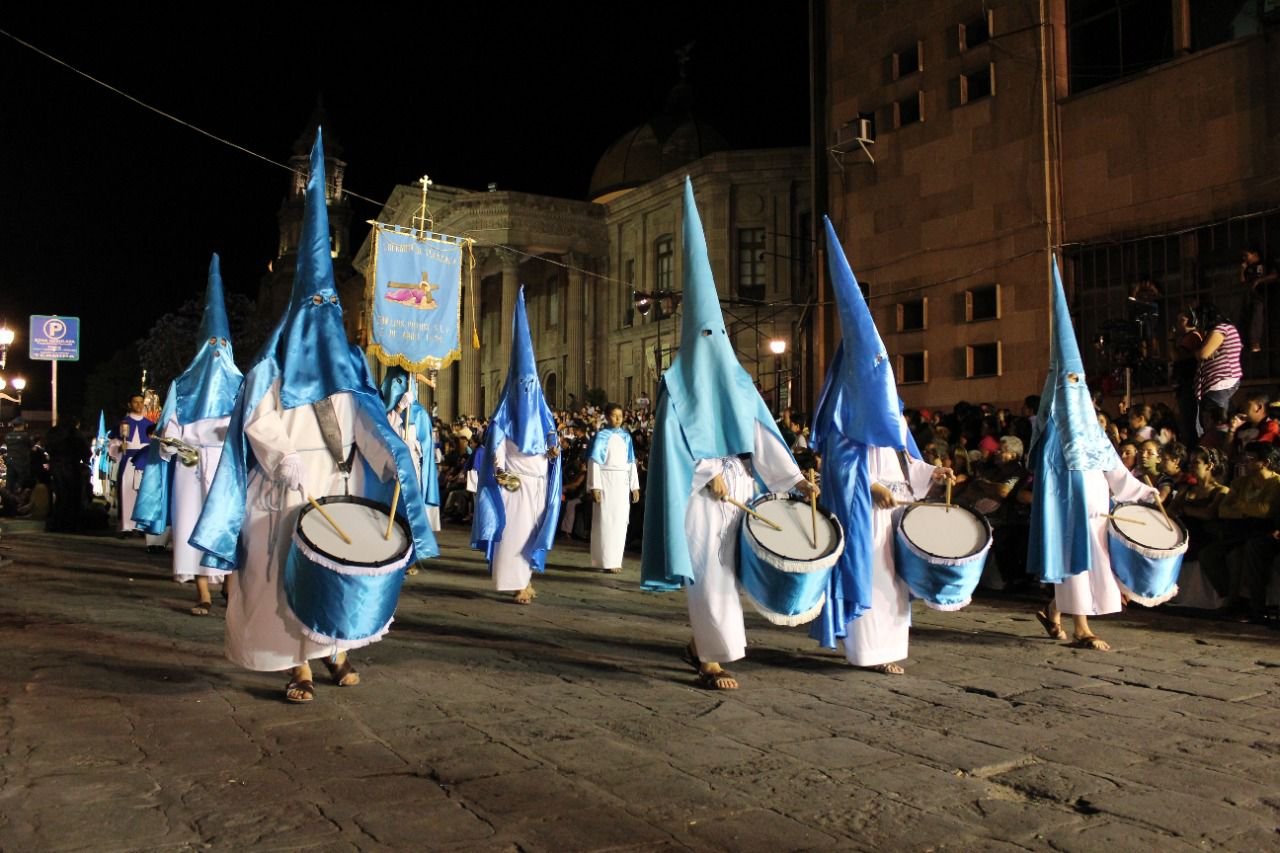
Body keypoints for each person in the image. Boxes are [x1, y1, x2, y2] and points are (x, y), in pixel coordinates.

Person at [191, 130, 435, 703]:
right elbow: (257, 422)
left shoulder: (349, 363)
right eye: (317, 307)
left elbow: (368, 420)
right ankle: (296, 666)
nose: (328, 316)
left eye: (334, 307)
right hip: (286, 485)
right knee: (285, 577)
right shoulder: (271, 368)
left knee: (337, 570)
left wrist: (392, 459)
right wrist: (286, 461)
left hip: (336, 482)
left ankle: (336, 650)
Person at [641, 179, 818, 691]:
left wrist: (794, 481)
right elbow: (672, 450)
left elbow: (762, 434)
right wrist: (702, 476)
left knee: (737, 571)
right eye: (705, 336)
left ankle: (702, 642)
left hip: (743, 486)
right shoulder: (674, 387)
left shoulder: (740, 382)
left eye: (718, 335)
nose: (713, 344)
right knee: (710, 573)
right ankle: (712, 657)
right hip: (703, 494)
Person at [807, 216, 952, 675]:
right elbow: (838, 475)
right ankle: (866, 651)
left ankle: (891, 649)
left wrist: (932, 474)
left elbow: (905, 457)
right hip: (866, 515)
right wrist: (868, 491)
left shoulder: (891, 417)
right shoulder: (842, 426)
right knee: (868, 572)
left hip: (896, 512)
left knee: (896, 581)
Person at [1029, 259, 1161, 651]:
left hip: (1098, 513)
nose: (1073, 391)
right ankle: (1082, 629)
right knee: (1076, 566)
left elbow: (1115, 472)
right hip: (1071, 515)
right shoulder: (1051, 436)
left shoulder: (1096, 434)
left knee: (1091, 568)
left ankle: (1055, 612)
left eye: (1078, 384)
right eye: (1066, 385)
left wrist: (1145, 494)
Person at [134, 255, 243, 615]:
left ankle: (229, 585)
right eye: (210, 344)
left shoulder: (242, 385)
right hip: (189, 463)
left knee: (226, 523)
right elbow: (169, 431)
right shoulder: (181, 388)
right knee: (192, 523)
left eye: (221, 345)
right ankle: (202, 593)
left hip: (225, 467)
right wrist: (172, 443)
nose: (216, 352)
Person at [471, 287, 562, 605]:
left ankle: (525, 580)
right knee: (512, 532)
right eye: (523, 385)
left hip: (537, 484)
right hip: (512, 484)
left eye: (531, 385)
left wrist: (553, 455)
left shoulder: (546, 418)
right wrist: (497, 470)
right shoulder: (502, 418)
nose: (527, 390)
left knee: (530, 531)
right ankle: (512, 581)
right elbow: (495, 448)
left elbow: (553, 448)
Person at [588, 402, 639, 573]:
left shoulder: (626, 437)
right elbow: (595, 461)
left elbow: (631, 462)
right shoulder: (602, 436)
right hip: (606, 480)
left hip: (622, 483)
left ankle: (615, 559)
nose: (618, 419)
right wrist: (595, 486)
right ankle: (603, 559)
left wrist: (634, 486)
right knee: (605, 520)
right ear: (607, 416)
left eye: (620, 416)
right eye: (614, 415)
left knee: (620, 521)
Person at [1194, 304, 1243, 435]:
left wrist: (1198, 352)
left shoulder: (1222, 328)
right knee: (1215, 420)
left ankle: (1217, 450)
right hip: (1219, 382)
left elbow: (1203, 354)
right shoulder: (1224, 329)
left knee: (1215, 423)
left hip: (1220, 382)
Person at [113, 395, 153, 535]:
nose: (139, 405)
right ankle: (127, 526)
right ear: (130, 404)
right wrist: (119, 448)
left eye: (141, 402)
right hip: (128, 462)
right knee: (127, 491)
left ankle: (141, 526)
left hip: (144, 462)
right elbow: (113, 444)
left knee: (142, 493)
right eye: (135, 402)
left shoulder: (149, 424)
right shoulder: (122, 423)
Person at [1242, 245, 1278, 353]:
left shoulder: (1264, 263)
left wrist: (1259, 281)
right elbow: (1243, 282)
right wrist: (1242, 269)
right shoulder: (1248, 268)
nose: (1245, 258)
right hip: (1256, 298)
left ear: (1255, 254)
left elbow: (1274, 275)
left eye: (1246, 255)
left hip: (1269, 294)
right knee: (1255, 318)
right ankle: (1255, 344)